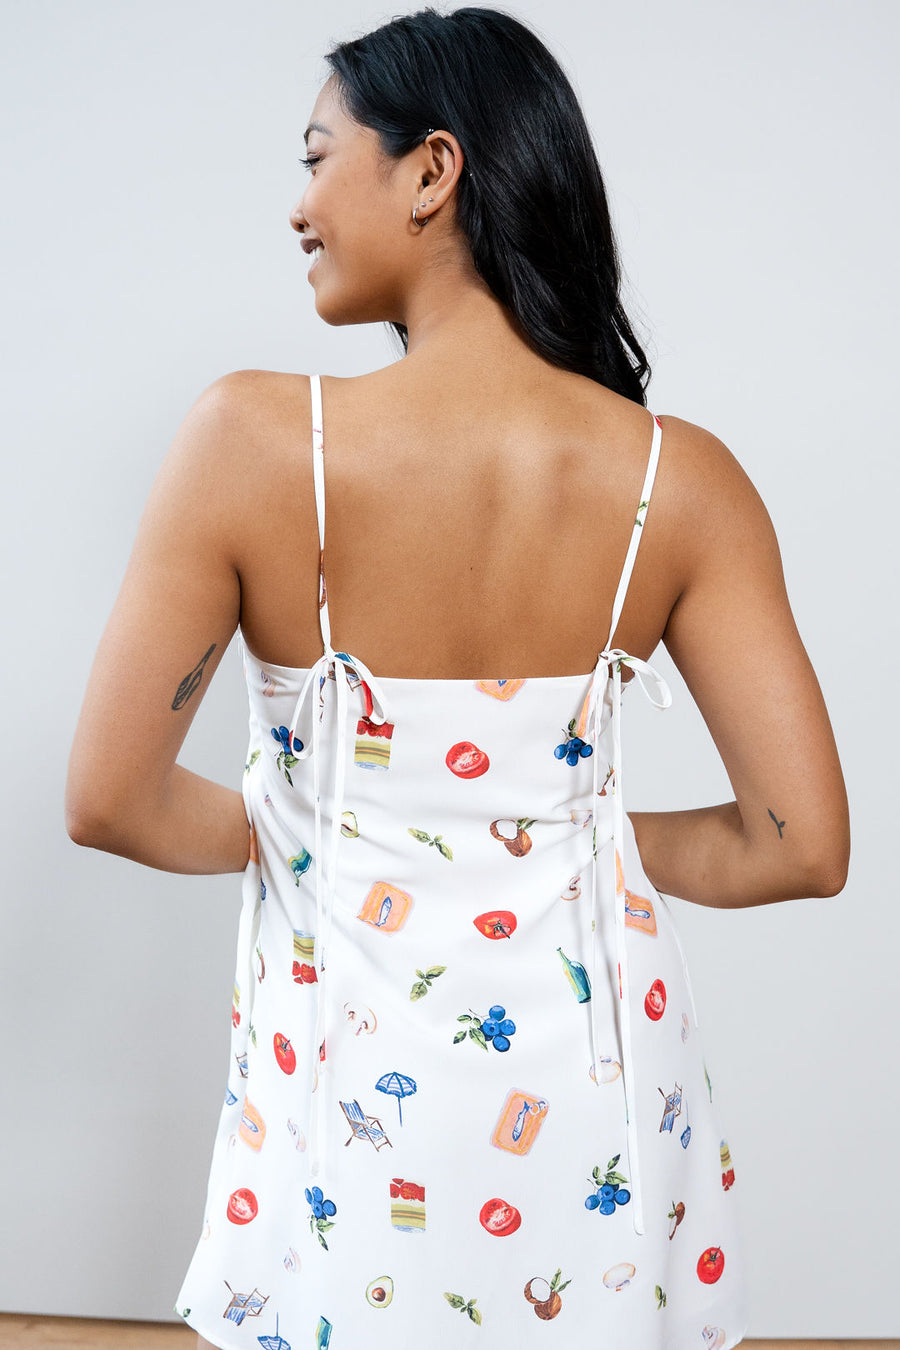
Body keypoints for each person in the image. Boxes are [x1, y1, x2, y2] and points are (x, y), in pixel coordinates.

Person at [65, 7, 849, 1349]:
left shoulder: (253, 441)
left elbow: (110, 800)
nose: (297, 206)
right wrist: (562, 834)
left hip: (347, 1100)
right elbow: (800, 845)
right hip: (604, 1104)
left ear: (432, 170)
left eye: (318, 157)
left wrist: (339, 832)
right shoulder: (682, 481)